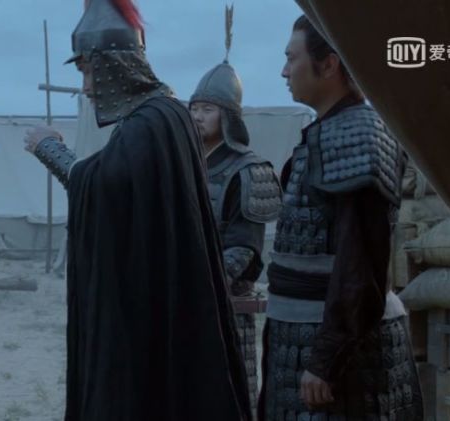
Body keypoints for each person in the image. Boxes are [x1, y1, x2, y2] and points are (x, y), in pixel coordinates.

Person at [23, 0, 251, 419]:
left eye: (88, 71)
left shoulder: (153, 121)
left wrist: (47, 147)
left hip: (153, 311)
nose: (86, 87)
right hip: (155, 297)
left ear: (115, 65)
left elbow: (101, 184)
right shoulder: (161, 116)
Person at [258, 15, 422, 420]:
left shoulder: (358, 136)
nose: (283, 71)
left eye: (291, 58)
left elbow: (360, 259)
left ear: (329, 64)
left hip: (337, 356)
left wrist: (326, 358)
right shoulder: (325, 131)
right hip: (300, 340)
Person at [188, 6, 283, 416]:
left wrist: (204, 284)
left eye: (207, 109)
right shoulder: (184, 165)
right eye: (194, 108)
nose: (197, 116)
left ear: (227, 116)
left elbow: (244, 247)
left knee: (230, 395)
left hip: (225, 302)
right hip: (185, 300)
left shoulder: (248, 170)